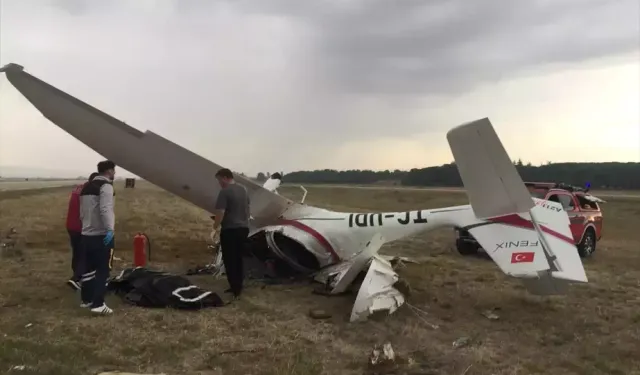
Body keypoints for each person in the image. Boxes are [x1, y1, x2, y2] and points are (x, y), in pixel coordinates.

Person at [79, 160, 116, 315]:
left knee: (88, 269)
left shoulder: (86, 187)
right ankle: (98, 304)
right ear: (109, 171)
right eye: (114, 170)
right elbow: (106, 209)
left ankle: (86, 300)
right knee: (103, 270)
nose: (115, 173)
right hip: (101, 235)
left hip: (86, 234)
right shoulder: (106, 186)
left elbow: (82, 213)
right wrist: (110, 230)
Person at [212, 168, 250, 299]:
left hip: (230, 230)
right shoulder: (244, 190)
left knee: (229, 259)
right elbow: (246, 207)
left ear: (225, 178)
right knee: (239, 258)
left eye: (219, 180)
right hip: (244, 228)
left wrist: (214, 227)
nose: (219, 183)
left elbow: (220, 212)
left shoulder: (224, 192)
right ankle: (238, 286)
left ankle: (234, 288)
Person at [65, 172, 99, 291]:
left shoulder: (79, 188)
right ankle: (76, 279)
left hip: (71, 226)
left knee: (77, 253)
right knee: (86, 255)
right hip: (81, 228)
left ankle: (77, 277)